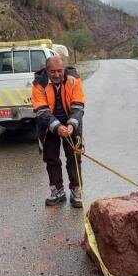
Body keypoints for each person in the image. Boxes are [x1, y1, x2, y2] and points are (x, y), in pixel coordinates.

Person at [32, 55, 86, 208]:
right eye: (53, 71)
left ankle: (76, 190)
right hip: (48, 127)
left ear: (64, 69)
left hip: (71, 125)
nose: (56, 75)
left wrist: (71, 125)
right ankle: (58, 191)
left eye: (59, 71)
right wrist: (56, 126)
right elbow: (41, 110)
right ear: (47, 70)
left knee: (74, 157)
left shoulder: (74, 79)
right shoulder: (38, 83)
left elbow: (78, 105)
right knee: (51, 159)